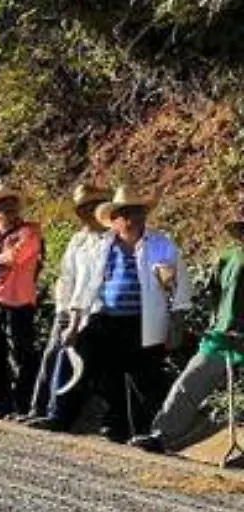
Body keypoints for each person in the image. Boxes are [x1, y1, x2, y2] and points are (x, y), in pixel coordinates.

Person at [34, 188, 188, 441]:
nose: (132, 218)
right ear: (114, 217)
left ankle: (145, 433)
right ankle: (61, 417)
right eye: (125, 213)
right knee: (88, 366)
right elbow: (86, 286)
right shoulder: (102, 245)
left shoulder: (161, 244)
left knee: (145, 379)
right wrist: (73, 323)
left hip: (143, 321)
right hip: (104, 317)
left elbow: (180, 285)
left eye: (137, 212)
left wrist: (176, 323)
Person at [133, 201, 244, 456]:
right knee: (190, 382)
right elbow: (214, 293)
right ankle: (161, 435)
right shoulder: (227, 257)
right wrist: (216, 321)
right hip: (223, 334)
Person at [27, 185, 112, 422]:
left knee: (70, 360)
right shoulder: (78, 239)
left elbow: (98, 280)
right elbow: (66, 276)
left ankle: (57, 414)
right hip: (69, 308)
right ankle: (38, 409)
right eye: (83, 208)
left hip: (94, 310)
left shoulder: (111, 240)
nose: (87, 212)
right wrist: (62, 307)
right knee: (52, 355)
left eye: (93, 207)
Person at [0, 186, 45, 417]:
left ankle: (23, 404)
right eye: (4, 207)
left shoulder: (29, 232)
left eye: (13, 206)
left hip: (19, 301)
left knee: (22, 355)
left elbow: (17, 256)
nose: (11, 210)